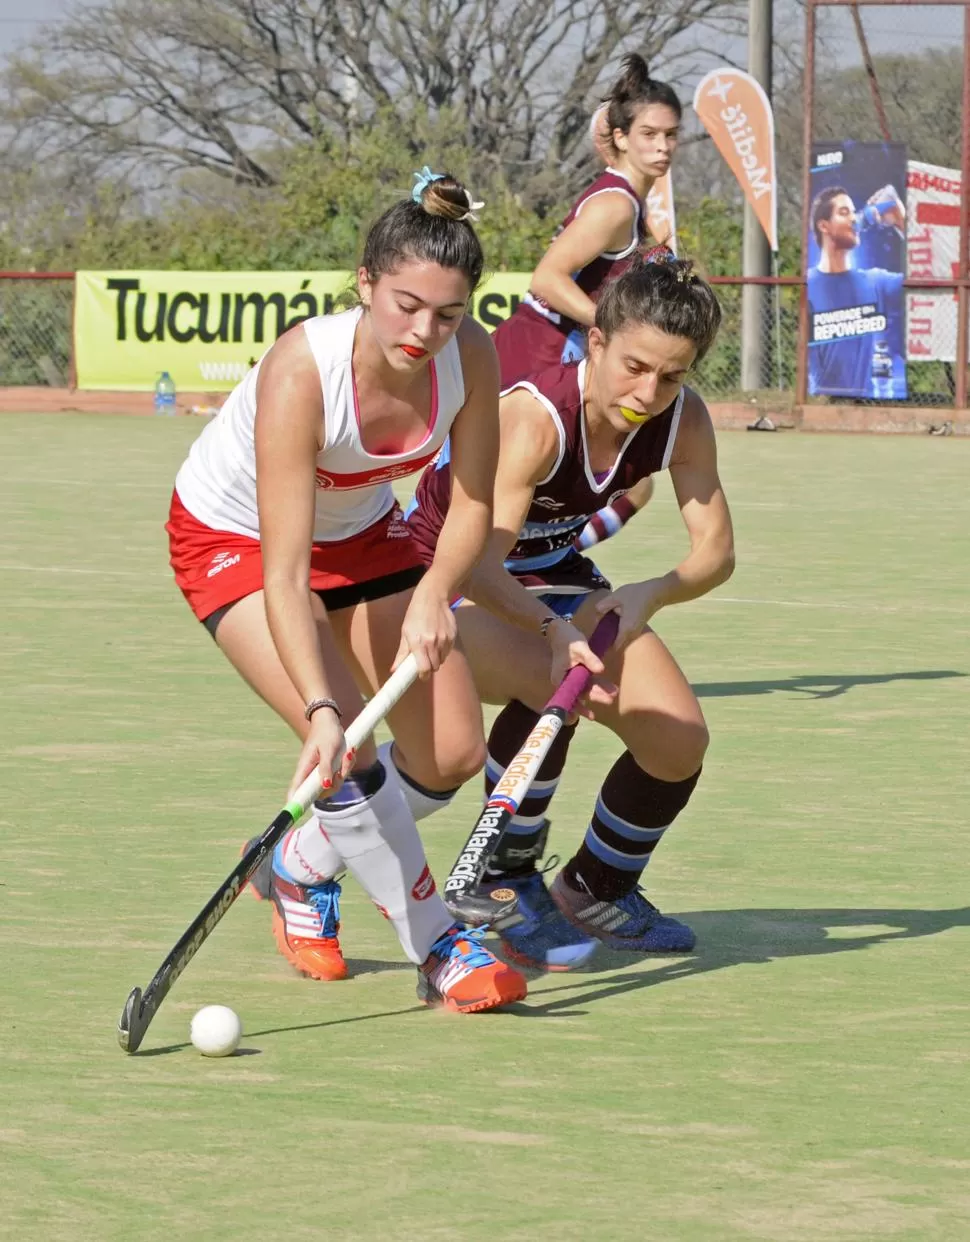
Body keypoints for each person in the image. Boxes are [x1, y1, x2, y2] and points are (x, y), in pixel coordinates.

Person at [165, 169, 527, 1012]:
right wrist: (324, 711)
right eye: (405, 305)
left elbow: (474, 500)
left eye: (446, 312)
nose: (424, 331)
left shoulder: (469, 352)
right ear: (365, 283)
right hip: (237, 541)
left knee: (451, 754)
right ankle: (441, 947)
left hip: (364, 536)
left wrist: (438, 590)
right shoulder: (304, 370)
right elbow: (285, 575)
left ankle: (299, 867)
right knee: (350, 752)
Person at [405, 250, 735, 970]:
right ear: (599, 340)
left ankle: (594, 887)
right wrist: (556, 630)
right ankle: (505, 877)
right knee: (544, 673)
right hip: (441, 577)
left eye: (673, 375)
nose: (649, 392)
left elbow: (715, 551)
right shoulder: (533, 420)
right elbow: (482, 564)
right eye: (635, 366)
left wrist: (652, 591)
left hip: (553, 578)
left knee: (678, 741)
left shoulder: (683, 421)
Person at [490, 53, 681, 388]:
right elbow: (547, 279)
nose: (662, 146)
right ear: (621, 137)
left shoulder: (628, 201)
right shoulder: (616, 205)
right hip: (538, 351)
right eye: (649, 134)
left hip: (549, 350)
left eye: (671, 134)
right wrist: (619, 331)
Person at [807, 184, 907, 399]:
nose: (854, 218)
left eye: (854, 212)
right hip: (822, 403)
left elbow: (935, 278)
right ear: (824, 225)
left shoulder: (876, 281)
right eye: (844, 213)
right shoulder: (806, 284)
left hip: (871, 401)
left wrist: (902, 222)